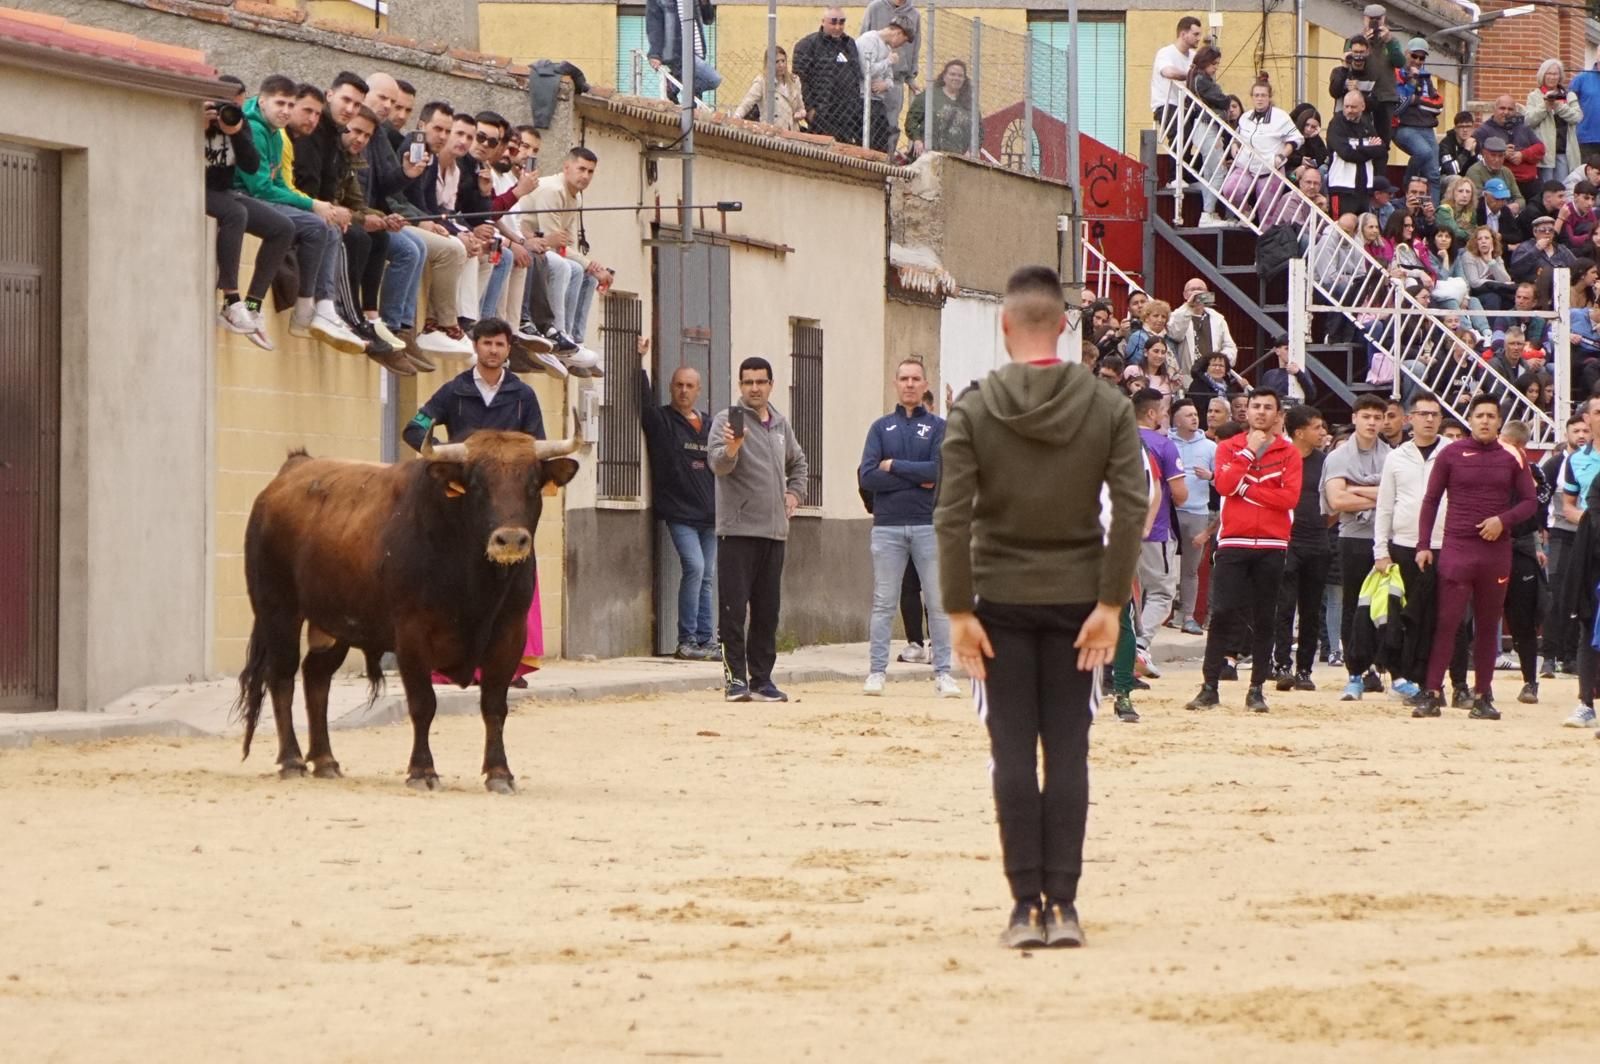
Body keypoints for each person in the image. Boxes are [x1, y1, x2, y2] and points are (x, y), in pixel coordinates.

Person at [937, 265, 1146, 950]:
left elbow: (951, 517)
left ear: (1004, 326)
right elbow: (1132, 509)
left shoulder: (974, 409)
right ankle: (1065, 907)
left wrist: (958, 611)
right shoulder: (1108, 406)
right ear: (1064, 325)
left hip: (997, 601)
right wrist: (1112, 602)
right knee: (1069, 753)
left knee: (1011, 755)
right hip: (1080, 603)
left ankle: (1025, 906)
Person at [401, 318, 549, 687]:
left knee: (514, 580)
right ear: (475, 346)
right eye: (487, 343)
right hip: (464, 504)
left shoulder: (522, 395)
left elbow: (538, 445)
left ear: (508, 349)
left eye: (499, 344)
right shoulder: (455, 390)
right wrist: (445, 452)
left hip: (508, 504)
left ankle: (506, 663)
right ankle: (449, 661)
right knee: (456, 579)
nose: (493, 351)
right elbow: (415, 428)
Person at [1410, 394, 1537, 718]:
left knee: (1488, 625)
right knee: (1448, 621)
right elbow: (1431, 500)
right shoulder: (1451, 454)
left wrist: (1502, 521)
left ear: (1499, 422)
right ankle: (1432, 692)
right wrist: (1423, 544)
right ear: (1470, 420)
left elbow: (1529, 502)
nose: (1485, 421)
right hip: (1457, 547)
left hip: (1496, 551)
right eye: (1479, 415)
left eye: (1491, 416)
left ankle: (1482, 697)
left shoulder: (1511, 457)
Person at [1185, 388, 1303, 713]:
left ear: (1278, 414)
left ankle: (1256, 689)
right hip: (1233, 541)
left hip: (1272, 543)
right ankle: (1210, 686)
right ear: (1247, 412)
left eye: (1268, 407)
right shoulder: (1229, 447)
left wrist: (1246, 488)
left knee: (1265, 616)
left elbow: (1289, 499)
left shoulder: (1289, 453)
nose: (1261, 412)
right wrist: (1249, 453)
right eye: (1256, 406)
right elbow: (1224, 486)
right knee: (1222, 612)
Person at [234, 74, 367, 354]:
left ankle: (316, 307)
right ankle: (271, 306)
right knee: (305, 226)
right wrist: (313, 205)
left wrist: (317, 205)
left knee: (326, 227)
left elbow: (281, 185)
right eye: (281, 104)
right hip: (240, 197)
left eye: (289, 104)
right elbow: (261, 188)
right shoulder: (256, 128)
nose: (286, 110)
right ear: (262, 101)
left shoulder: (276, 133)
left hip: (257, 197)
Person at [708, 357, 810, 704]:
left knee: (767, 612)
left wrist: (794, 494)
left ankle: (762, 680)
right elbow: (718, 464)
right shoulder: (727, 420)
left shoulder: (780, 425)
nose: (755, 388)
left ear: (771, 385)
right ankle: (735, 680)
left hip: (774, 533)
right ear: (740, 385)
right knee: (733, 610)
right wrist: (733, 447)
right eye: (748, 382)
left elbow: (799, 463)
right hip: (737, 531)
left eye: (761, 382)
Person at [859, 358, 958, 697]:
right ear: (896, 384)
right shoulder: (880, 428)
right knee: (883, 602)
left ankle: (943, 672)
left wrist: (894, 466)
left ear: (925, 384)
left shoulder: (938, 427)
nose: (910, 384)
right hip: (887, 527)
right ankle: (876, 671)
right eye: (904, 379)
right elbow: (868, 476)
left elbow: (937, 472)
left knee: (938, 602)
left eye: (916, 379)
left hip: (928, 526)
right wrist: (914, 478)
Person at [1372, 392, 1468, 705]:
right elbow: (1385, 505)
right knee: (1411, 618)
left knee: (1452, 618)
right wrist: (1380, 550)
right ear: (1409, 419)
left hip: (1449, 545)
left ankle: (1460, 684)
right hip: (1404, 546)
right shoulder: (1396, 457)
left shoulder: (1454, 452)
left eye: (1434, 414)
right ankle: (1417, 682)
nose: (1428, 419)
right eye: (1423, 413)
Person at [637, 338, 717, 661]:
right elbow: (643, 404)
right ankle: (686, 641)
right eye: (679, 385)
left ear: (699, 390)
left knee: (707, 576)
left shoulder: (711, 425)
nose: (684, 391)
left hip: (710, 516)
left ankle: (707, 640)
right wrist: (640, 363)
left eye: (689, 386)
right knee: (695, 567)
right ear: (671, 388)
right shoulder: (662, 420)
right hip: (680, 514)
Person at [204, 76, 292, 351]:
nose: (229, 111)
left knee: (283, 227)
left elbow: (252, 166)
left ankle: (252, 306)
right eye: (225, 105)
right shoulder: (194, 117)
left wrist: (236, 131)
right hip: (192, 185)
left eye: (238, 106)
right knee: (236, 213)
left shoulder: (240, 124)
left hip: (222, 190)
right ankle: (231, 300)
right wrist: (199, 124)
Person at [1322, 393, 1391, 701]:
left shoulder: (1392, 456)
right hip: (1352, 537)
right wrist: (1378, 495)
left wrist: (1357, 489)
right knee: (1353, 604)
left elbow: (1398, 496)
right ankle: (1354, 671)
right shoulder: (1338, 457)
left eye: (1377, 417)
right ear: (1354, 419)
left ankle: (1378, 666)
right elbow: (1337, 500)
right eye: (1366, 417)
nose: (1372, 423)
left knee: (1384, 605)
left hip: (1385, 538)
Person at [523, 148, 606, 371]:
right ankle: (558, 334)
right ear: (566, 167)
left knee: (588, 275)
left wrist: (591, 266)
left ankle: (575, 339)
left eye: (590, 171)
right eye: (581, 169)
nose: (585, 176)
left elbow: (565, 242)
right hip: (529, 243)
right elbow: (554, 243)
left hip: (546, 246)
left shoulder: (575, 197)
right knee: (572, 268)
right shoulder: (553, 190)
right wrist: (589, 264)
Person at [1272, 404, 1329, 690]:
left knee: (1311, 608)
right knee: (1284, 606)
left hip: (1318, 539)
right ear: (1299, 432)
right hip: (1286, 539)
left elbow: (1332, 504)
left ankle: (1305, 668)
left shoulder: (1325, 462)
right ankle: (1282, 664)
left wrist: (1321, 526)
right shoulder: (1280, 458)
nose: (1323, 432)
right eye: (1316, 427)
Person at [1133, 389, 1187, 673]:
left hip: (1117, 530)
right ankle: (1139, 645)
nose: (1166, 416)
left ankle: (1123, 651)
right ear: (1152, 413)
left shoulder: (1115, 440)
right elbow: (1180, 494)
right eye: (1164, 411)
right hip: (1154, 530)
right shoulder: (1163, 445)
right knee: (1161, 593)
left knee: (1128, 594)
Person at [1499, 419, 1549, 704]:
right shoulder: (1486, 467)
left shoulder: (1532, 472)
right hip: (1489, 546)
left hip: (1520, 548)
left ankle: (1530, 681)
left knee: (1523, 619)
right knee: (1476, 618)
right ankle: (1467, 684)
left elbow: (1535, 511)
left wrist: (1536, 546)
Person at [1542, 409, 1589, 685]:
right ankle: (1549, 655)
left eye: (1585, 431)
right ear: (1567, 434)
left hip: (1589, 535)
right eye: (1576, 431)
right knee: (1557, 594)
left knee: (1581, 596)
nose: (1581, 435)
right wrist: (1541, 530)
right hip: (1560, 533)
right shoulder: (1555, 464)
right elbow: (1540, 497)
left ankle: (1571, 657)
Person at [1221, 79, 1302, 223]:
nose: (1260, 99)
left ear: (1269, 97)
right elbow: (1237, 135)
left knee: (1267, 214)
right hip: (1246, 165)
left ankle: (1266, 235)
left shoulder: (1280, 116)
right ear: (1252, 97)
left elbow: (1296, 138)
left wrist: (1282, 155)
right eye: (1256, 95)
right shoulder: (1245, 117)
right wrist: (1234, 145)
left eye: (1263, 95)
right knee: (1229, 190)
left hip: (1270, 169)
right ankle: (1246, 212)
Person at [1169, 399, 1215, 636]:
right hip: (1168, 512)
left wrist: (1210, 476)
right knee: (1159, 567)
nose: (1195, 418)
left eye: (1196, 414)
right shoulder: (1166, 442)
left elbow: (1222, 482)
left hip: (1197, 512)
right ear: (1176, 420)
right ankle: (1153, 615)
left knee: (1191, 569)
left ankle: (1188, 616)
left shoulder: (1210, 447)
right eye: (1188, 415)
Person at [794, 7, 865, 145]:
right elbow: (800, 80)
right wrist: (810, 110)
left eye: (841, 22)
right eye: (833, 22)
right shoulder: (808, 45)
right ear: (823, 22)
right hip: (822, 112)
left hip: (847, 114)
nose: (838, 27)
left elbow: (855, 75)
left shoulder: (849, 44)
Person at [859, 0, 921, 153]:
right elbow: (866, 68)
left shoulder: (914, 14)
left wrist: (909, 77)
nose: (901, 45)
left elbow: (915, 48)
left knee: (891, 126)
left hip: (896, 80)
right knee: (868, 129)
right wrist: (888, 62)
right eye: (903, 41)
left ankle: (888, 158)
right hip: (867, 90)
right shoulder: (874, 11)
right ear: (898, 33)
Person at [1393, 38, 1443, 203]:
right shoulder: (1396, 72)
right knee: (1424, 152)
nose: (1418, 61)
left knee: (1434, 175)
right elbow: (1398, 105)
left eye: (1422, 58)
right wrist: (1412, 92)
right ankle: (1407, 185)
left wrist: (1416, 101)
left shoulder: (1426, 76)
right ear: (1406, 53)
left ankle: (1433, 212)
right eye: (1414, 56)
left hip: (1427, 128)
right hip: (1403, 127)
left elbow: (1438, 106)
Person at [645, 0, 722, 104]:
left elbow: (708, 20)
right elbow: (654, 26)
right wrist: (655, 53)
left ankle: (677, 87)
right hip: (677, 53)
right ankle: (674, 85)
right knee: (714, 79)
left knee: (694, 96)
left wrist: (704, 2)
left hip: (697, 52)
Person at [1327, 90, 1387, 217]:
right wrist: (1369, 150)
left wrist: (1358, 149)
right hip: (1342, 187)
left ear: (1362, 107)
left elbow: (1382, 150)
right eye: (1346, 106)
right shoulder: (1336, 124)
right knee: (1341, 226)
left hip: (1364, 188)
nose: (1349, 110)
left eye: (1353, 107)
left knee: (1362, 227)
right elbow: (1346, 153)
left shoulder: (1367, 125)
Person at [1352, 7, 1405, 150]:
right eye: (1371, 19)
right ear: (1364, 19)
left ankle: (1381, 163)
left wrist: (1389, 41)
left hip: (1386, 96)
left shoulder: (1392, 42)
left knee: (1383, 139)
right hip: (1363, 96)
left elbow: (1400, 62)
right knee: (1362, 136)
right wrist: (1364, 44)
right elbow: (1351, 65)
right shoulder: (1356, 41)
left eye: (1378, 19)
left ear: (1384, 19)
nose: (1374, 23)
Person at [1475, 96, 1545, 203]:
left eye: (1510, 109)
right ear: (1494, 109)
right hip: (1502, 183)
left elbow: (1540, 148)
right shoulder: (1484, 130)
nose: (1506, 112)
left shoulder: (1523, 127)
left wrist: (1523, 155)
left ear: (1515, 111)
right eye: (1502, 108)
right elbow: (1479, 155)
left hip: (1529, 182)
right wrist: (1501, 153)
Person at [1526, 60, 1584, 186]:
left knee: (1562, 187)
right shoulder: (1534, 96)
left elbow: (1577, 117)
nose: (1552, 77)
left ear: (1560, 76)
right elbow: (1529, 121)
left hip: (1564, 152)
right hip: (1544, 154)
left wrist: (1559, 106)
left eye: (1555, 74)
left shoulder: (1569, 95)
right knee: (1546, 189)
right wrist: (1545, 106)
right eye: (1549, 73)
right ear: (1543, 75)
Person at [1167, 277, 1238, 374]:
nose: (1197, 293)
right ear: (1185, 295)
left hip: (1212, 375)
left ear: (1207, 294)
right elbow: (1175, 335)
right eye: (1192, 290)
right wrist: (1189, 306)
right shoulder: (1177, 315)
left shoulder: (1217, 319)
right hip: (1187, 375)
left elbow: (1230, 346)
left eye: (1200, 289)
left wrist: (1218, 362)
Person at [1150, 16, 1204, 145]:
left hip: (1188, 106)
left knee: (1205, 132)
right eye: (1195, 34)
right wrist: (1190, 75)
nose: (1199, 38)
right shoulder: (1165, 53)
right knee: (1181, 138)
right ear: (1183, 34)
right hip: (1167, 105)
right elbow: (1168, 72)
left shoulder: (1194, 56)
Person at [905, 58, 973, 157]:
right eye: (952, 74)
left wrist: (970, 150)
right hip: (928, 153)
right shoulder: (929, 96)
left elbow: (978, 131)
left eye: (960, 76)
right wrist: (917, 140)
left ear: (964, 79)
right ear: (944, 77)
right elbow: (911, 120)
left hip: (956, 157)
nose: (956, 78)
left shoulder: (969, 104)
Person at [733, 46, 805, 130]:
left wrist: (801, 113)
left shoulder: (794, 81)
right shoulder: (762, 82)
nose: (781, 65)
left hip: (792, 132)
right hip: (770, 131)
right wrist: (735, 118)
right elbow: (747, 103)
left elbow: (800, 107)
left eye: (783, 61)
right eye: (776, 62)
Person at [1467, 138, 1526, 211]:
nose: (1497, 159)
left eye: (1500, 156)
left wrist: (1516, 205)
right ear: (1484, 154)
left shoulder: (1507, 172)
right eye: (1493, 155)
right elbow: (1478, 200)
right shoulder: (1475, 172)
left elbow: (1520, 198)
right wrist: (1503, 209)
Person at [1258, 337, 1317, 404]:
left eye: (1293, 349)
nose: (1291, 352)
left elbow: (1312, 395)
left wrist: (1298, 373)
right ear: (1277, 351)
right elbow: (1262, 397)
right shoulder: (1269, 375)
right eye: (1287, 349)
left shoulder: (1302, 371)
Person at [1438, 110, 1478, 182]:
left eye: (1468, 126)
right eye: (1461, 126)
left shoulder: (1475, 142)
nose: (1465, 130)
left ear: (1473, 128)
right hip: (1446, 180)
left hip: (1467, 180)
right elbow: (1451, 171)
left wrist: (1473, 155)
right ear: (1455, 128)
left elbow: (1480, 170)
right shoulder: (1446, 144)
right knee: (1456, 178)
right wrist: (1466, 151)